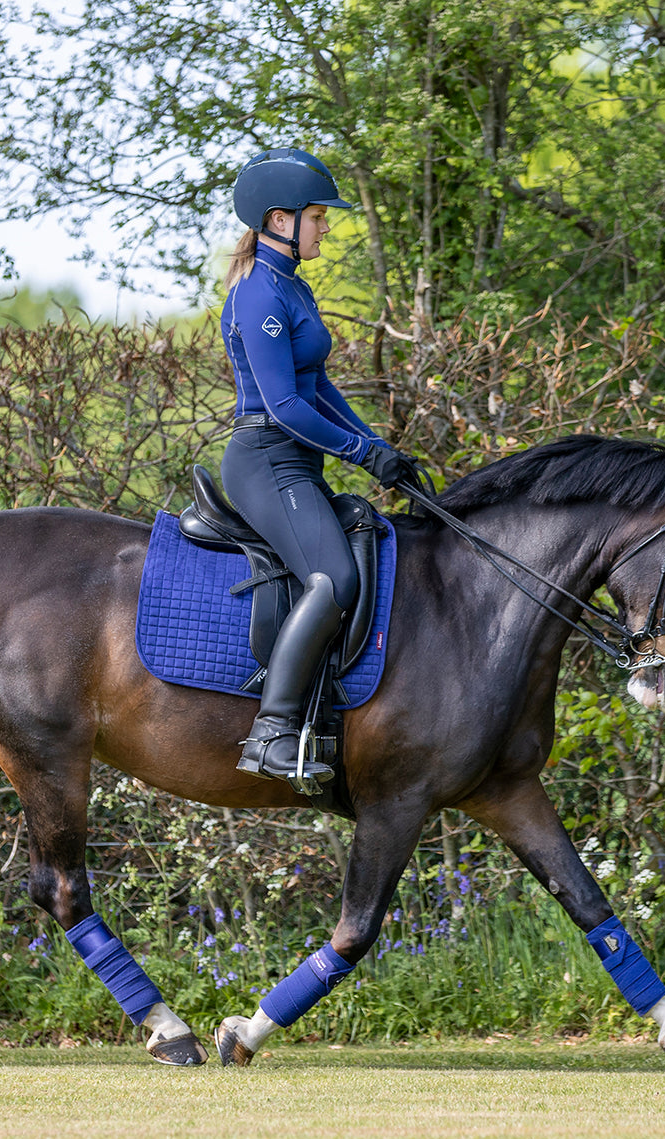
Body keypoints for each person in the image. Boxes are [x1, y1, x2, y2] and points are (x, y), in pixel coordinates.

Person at [219, 147, 421, 783]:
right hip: (265, 459)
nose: (324, 227)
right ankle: (272, 733)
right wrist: (360, 452)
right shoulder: (258, 296)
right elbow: (282, 407)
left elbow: (318, 388)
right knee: (333, 579)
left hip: (297, 462)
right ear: (279, 221)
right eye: (317, 216)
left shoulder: (291, 285)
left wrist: (380, 449)